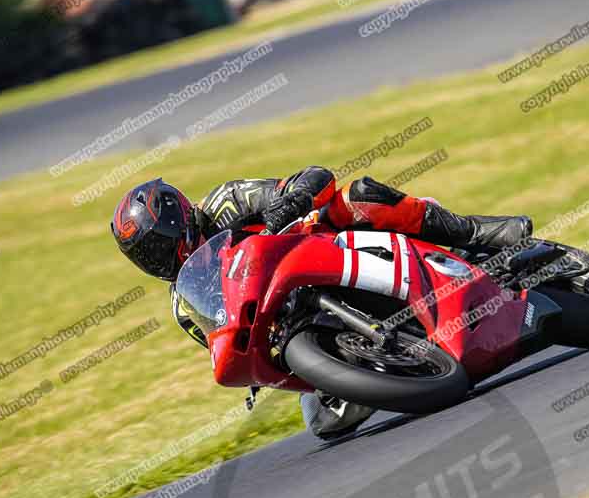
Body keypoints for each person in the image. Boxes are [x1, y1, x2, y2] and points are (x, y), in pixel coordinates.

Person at [110, 167, 532, 439]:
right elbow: (224, 336)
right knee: (325, 426)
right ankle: (373, 357)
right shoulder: (182, 302)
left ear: (178, 218)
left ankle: (473, 232)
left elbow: (313, 178)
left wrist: (285, 208)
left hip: (317, 244)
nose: (159, 259)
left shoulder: (225, 202)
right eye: (146, 257)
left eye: (159, 245)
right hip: (293, 322)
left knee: (360, 195)